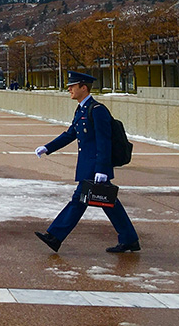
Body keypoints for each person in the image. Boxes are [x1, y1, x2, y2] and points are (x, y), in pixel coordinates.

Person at [34, 71, 140, 254]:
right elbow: (70, 134)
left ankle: (55, 236)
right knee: (109, 203)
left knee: (79, 201)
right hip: (88, 166)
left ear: (84, 87)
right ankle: (129, 239)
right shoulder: (81, 109)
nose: (69, 89)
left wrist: (102, 168)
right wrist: (47, 147)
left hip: (95, 167)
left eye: (73, 86)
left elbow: (104, 141)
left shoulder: (97, 110)